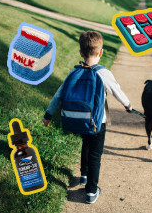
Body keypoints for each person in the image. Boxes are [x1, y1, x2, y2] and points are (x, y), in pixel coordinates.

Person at [42, 31, 132, 204]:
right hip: (98, 123)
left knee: (86, 144)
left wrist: (48, 115)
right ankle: (91, 191)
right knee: (95, 154)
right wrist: (128, 105)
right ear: (101, 52)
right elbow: (117, 91)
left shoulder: (73, 72)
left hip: (77, 120)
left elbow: (58, 96)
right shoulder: (103, 73)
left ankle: (83, 175)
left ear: (81, 53)